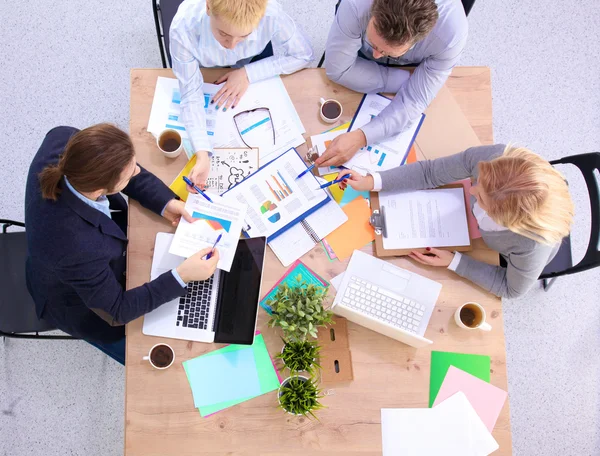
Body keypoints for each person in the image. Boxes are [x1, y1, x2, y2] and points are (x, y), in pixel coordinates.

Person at [25, 124, 220, 365]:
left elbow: (120, 169)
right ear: (99, 189)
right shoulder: (77, 247)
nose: (137, 170)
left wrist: (166, 202)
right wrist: (182, 276)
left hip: (74, 259)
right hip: (77, 304)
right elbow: (117, 311)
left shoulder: (64, 139)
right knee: (138, 353)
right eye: (129, 174)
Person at [338, 144, 575, 298]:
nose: (470, 190)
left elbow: (511, 288)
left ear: (505, 221)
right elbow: (429, 172)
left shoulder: (531, 245)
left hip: (501, 251)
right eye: (478, 181)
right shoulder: (494, 160)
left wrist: (455, 262)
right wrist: (372, 181)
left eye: (480, 197)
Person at [169, 0, 314, 191]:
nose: (231, 46)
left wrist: (248, 73)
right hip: (205, 67)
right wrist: (203, 154)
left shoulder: (270, 13)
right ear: (208, 8)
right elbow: (190, 93)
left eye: (244, 36)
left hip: (252, 61)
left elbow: (303, 55)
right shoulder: (183, 27)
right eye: (223, 34)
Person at [318, 0, 467, 168]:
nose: (375, 55)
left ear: (417, 40)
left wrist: (361, 137)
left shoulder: (451, 34)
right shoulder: (356, 4)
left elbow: (414, 102)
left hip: (409, 66)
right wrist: (403, 81)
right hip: (376, 61)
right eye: (373, 44)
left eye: (385, 51)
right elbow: (339, 70)